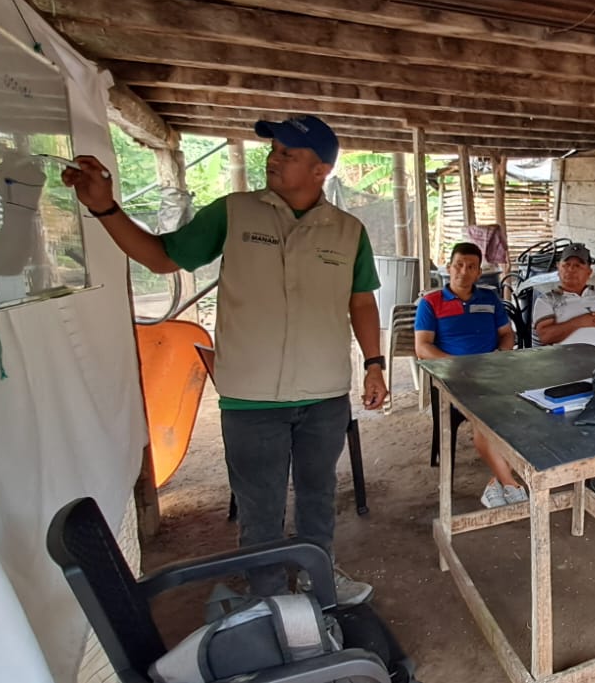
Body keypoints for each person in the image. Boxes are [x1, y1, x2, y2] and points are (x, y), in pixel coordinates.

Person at [61, 114, 382, 601]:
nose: (273, 159)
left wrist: (375, 364)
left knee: (318, 499)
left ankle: (319, 582)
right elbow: (161, 258)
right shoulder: (234, 213)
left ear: (321, 170)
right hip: (250, 399)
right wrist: (106, 209)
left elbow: (361, 301)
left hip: (324, 396)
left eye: (288, 153)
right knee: (260, 511)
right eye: (273, 150)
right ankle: (269, 601)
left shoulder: (348, 231)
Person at [414, 242, 522, 509]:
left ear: (478, 272)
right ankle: (511, 484)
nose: (464, 271)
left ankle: (495, 484)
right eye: (459, 265)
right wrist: (458, 365)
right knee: (485, 418)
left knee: (524, 413)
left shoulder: (489, 299)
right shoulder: (431, 303)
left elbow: (506, 334)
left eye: (471, 266)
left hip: (493, 372)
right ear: (449, 267)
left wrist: (500, 355)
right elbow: (423, 347)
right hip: (454, 377)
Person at [533, 242, 595, 496]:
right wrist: (581, 322)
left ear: (589, 271)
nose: (571, 270)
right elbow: (545, 336)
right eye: (566, 265)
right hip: (572, 363)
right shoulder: (548, 299)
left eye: (578, 265)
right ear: (558, 268)